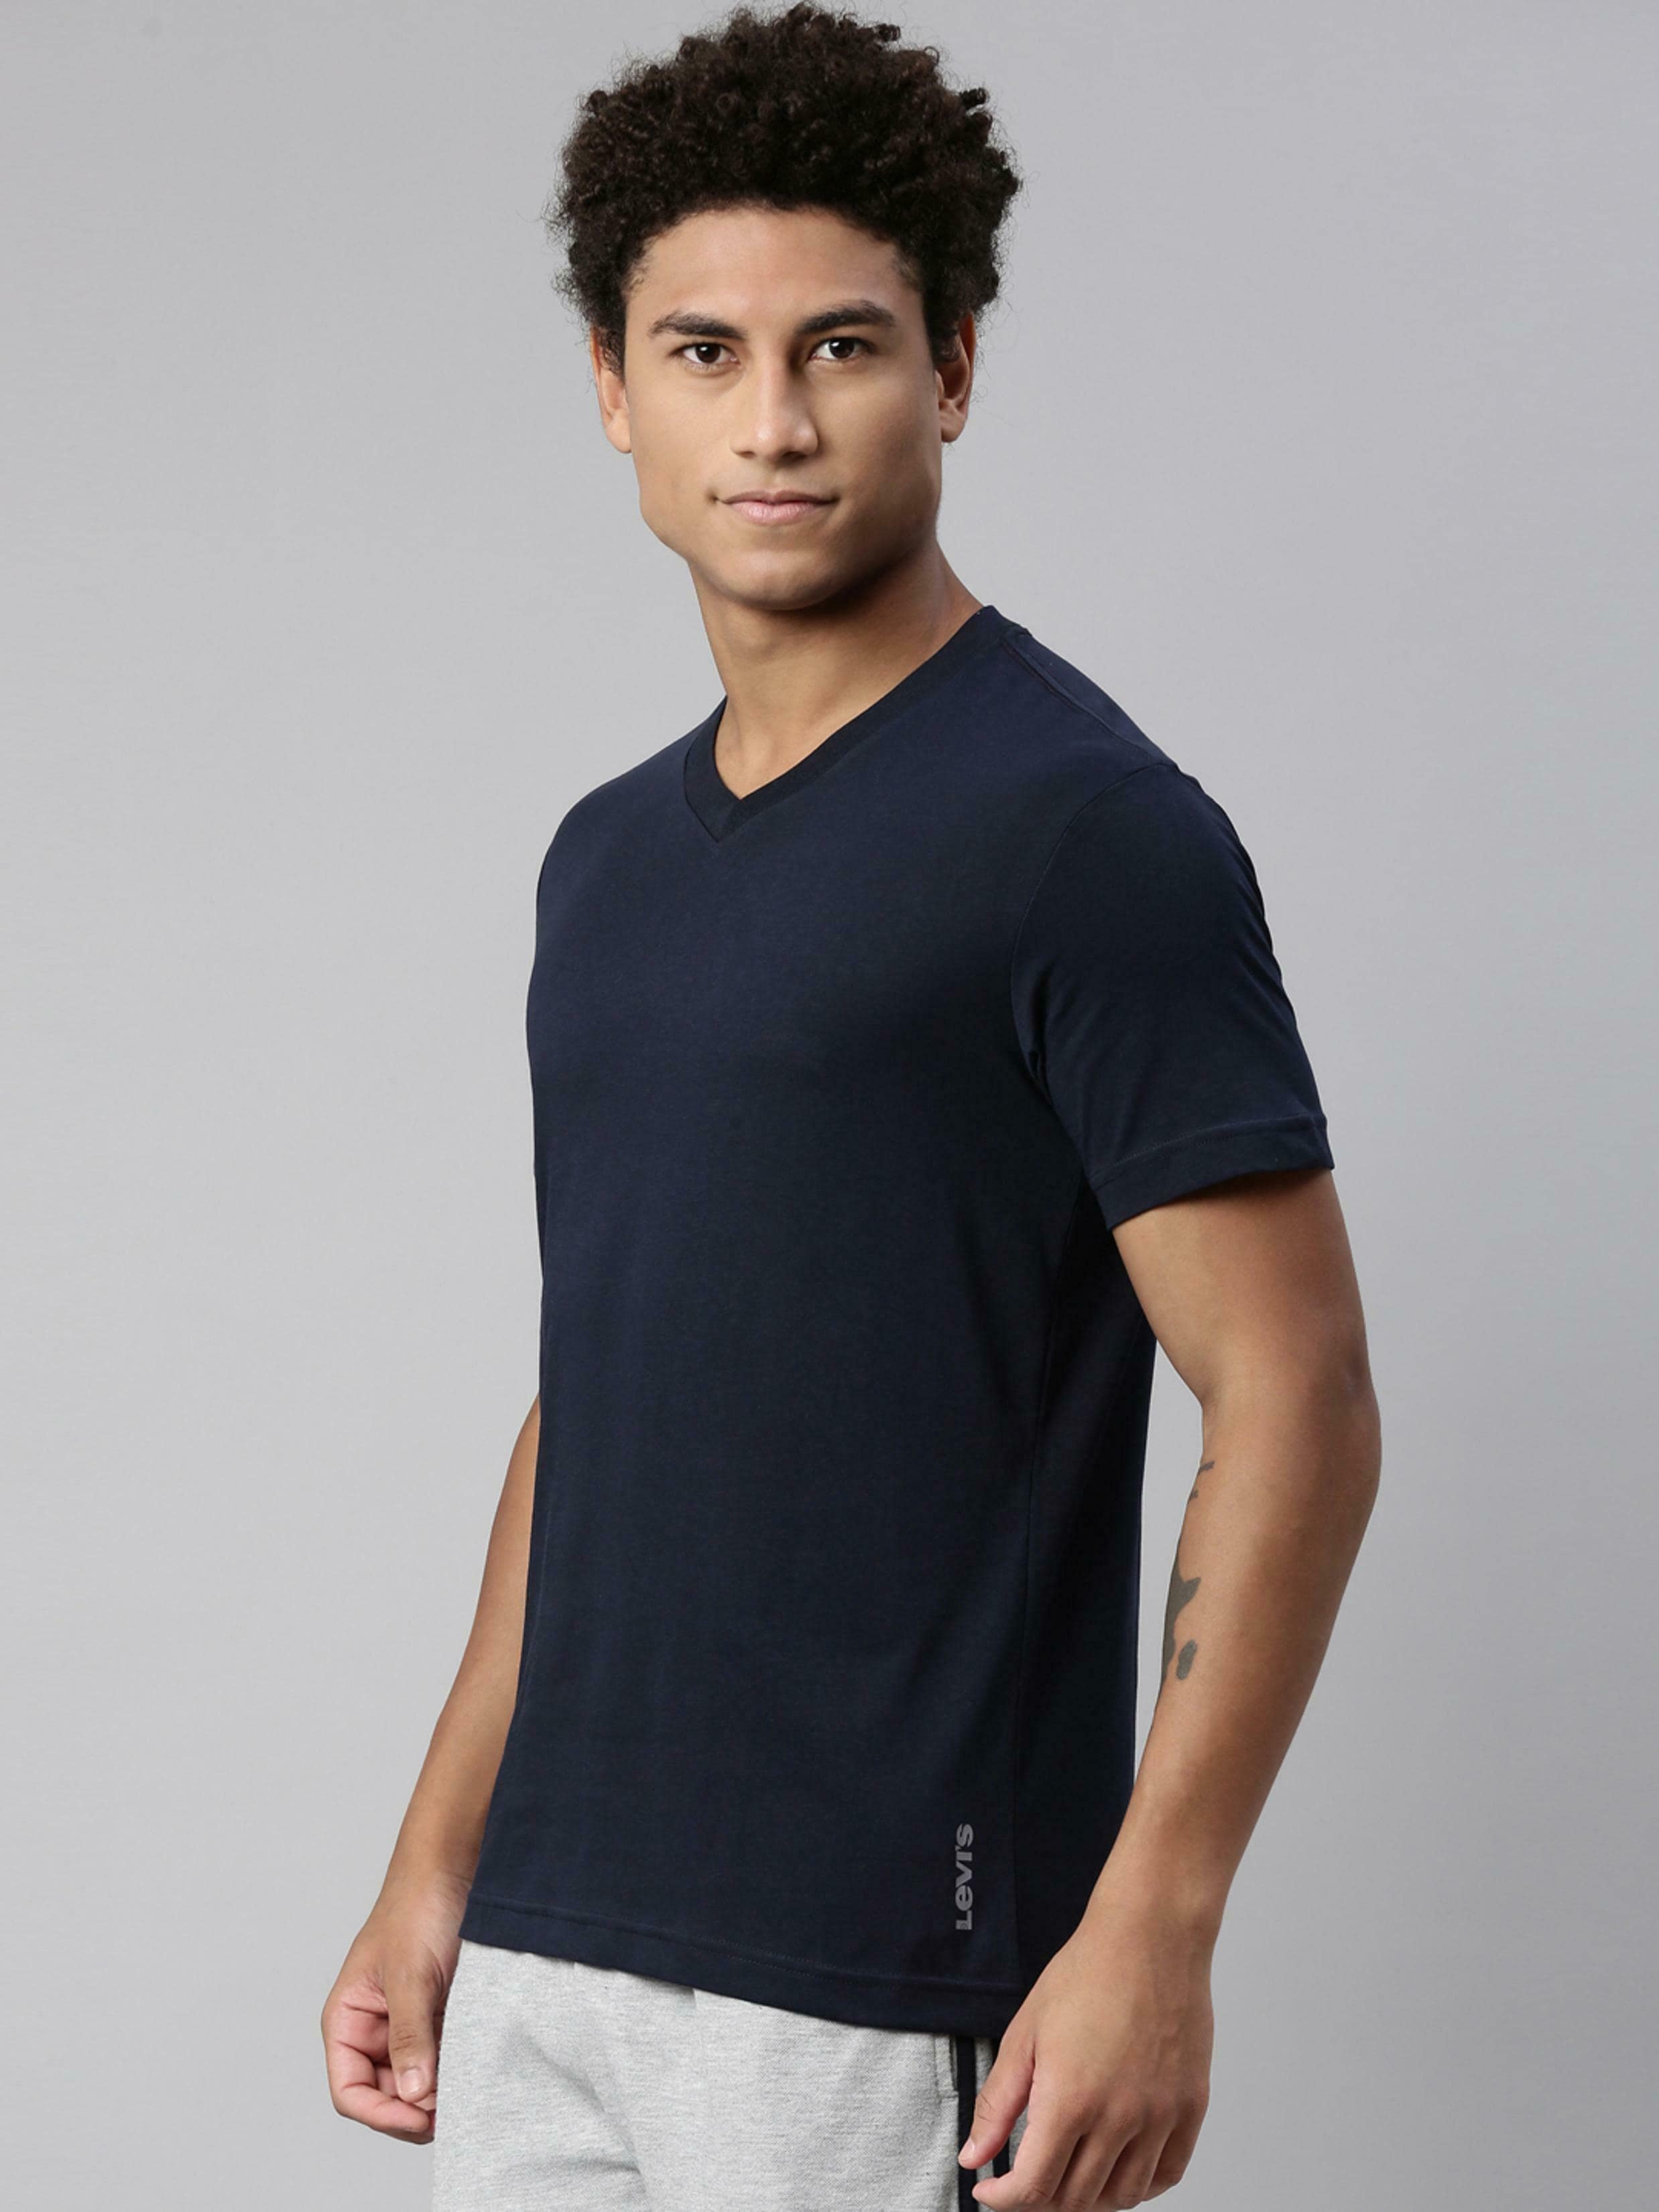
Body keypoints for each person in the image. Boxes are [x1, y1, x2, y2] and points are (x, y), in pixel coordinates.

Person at [320, 7, 1382, 2207]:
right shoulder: (604, 859)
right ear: (611, 389)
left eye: (843, 347)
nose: (773, 421)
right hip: (552, 1950)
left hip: (885, 1973)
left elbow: (1293, 1391)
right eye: (703, 352)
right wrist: (436, 1862)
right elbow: (602, 1386)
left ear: (952, 368)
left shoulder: (1084, 831)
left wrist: (1153, 1925)